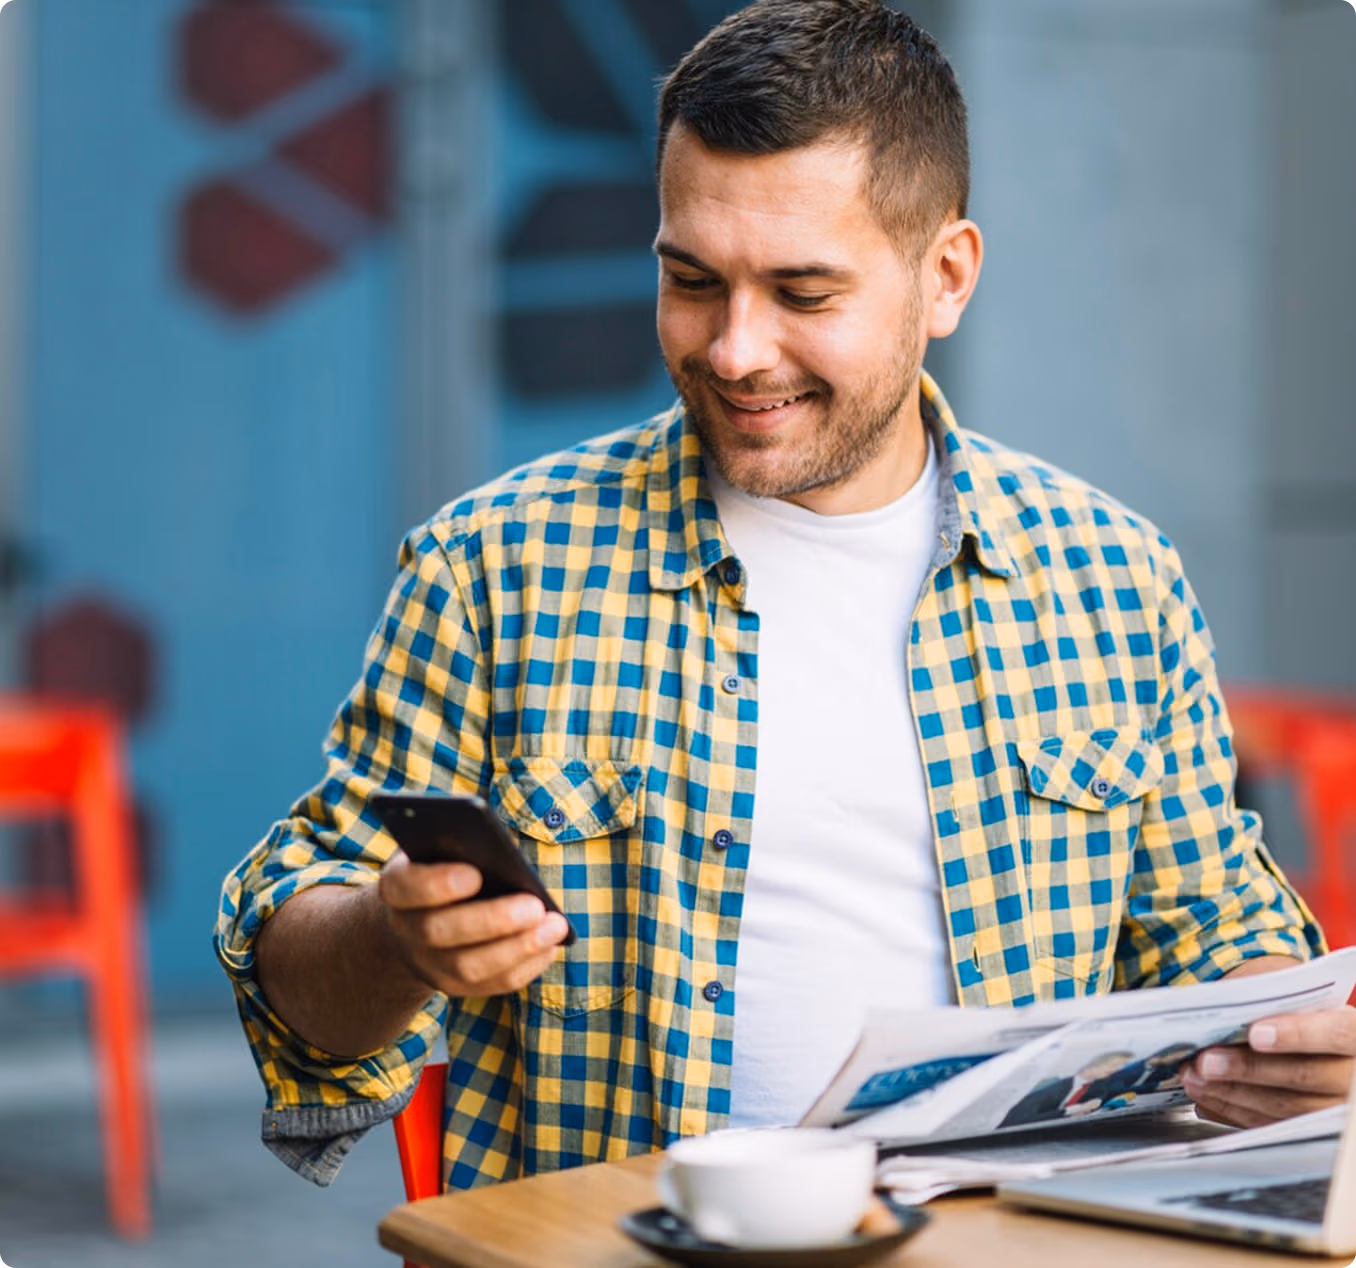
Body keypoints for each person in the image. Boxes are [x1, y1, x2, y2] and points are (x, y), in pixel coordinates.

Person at [214, 0, 1356, 1191]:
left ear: (946, 276)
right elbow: (302, 995)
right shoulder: (493, 569)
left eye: (804, 293)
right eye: (692, 278)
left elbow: (1217, 941)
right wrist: (395, 938)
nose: (734, 349)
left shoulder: (1112, 579)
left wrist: (1288, 1042)